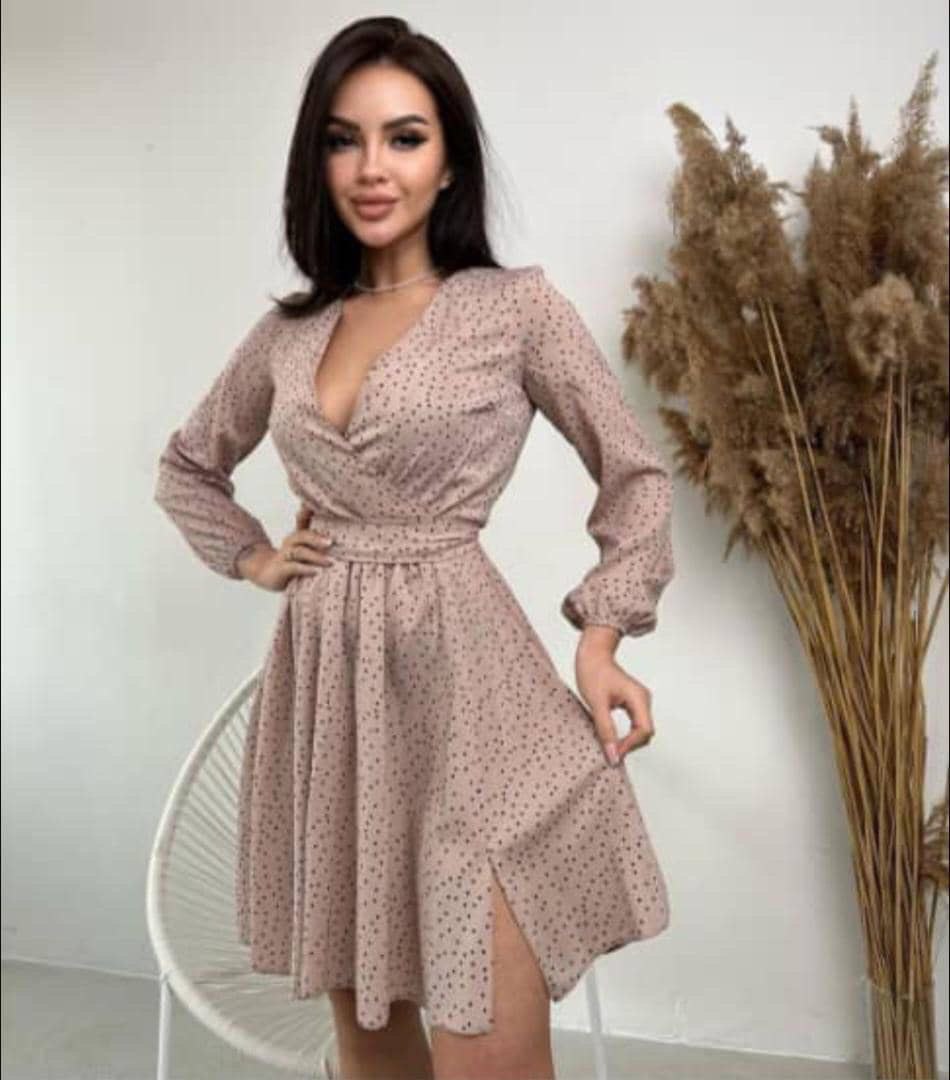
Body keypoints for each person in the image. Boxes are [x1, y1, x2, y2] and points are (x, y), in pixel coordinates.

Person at [153, 15, 675, 1080]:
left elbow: (636, 474)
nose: (372, 168)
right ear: (316, 162)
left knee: (486, 1045)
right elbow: (187, 466)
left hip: (473, 696)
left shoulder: (513, 309)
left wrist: (601, 638)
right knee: (373, 1044)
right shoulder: (288, 333)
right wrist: (255, 558)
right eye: (343, 140)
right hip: (332, 704)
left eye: (405, 137)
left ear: (450, 163)